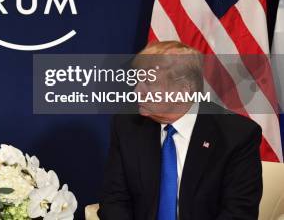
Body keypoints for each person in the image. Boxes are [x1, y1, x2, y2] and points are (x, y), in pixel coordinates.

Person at [98, 40, 262, 220]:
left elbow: (239, 212)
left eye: (149, 83)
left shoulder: (236, 135)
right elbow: (114, 200)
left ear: (183, 90)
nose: (137, 91)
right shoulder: (127, 126)